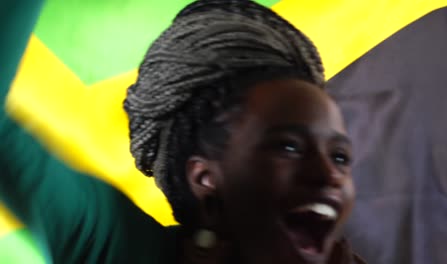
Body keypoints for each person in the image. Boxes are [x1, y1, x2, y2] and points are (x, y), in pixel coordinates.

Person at [0, 0, 365, 263]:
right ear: (204, 177)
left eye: (340, 157)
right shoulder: (118, 246)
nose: (328, 175)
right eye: (288, 147)